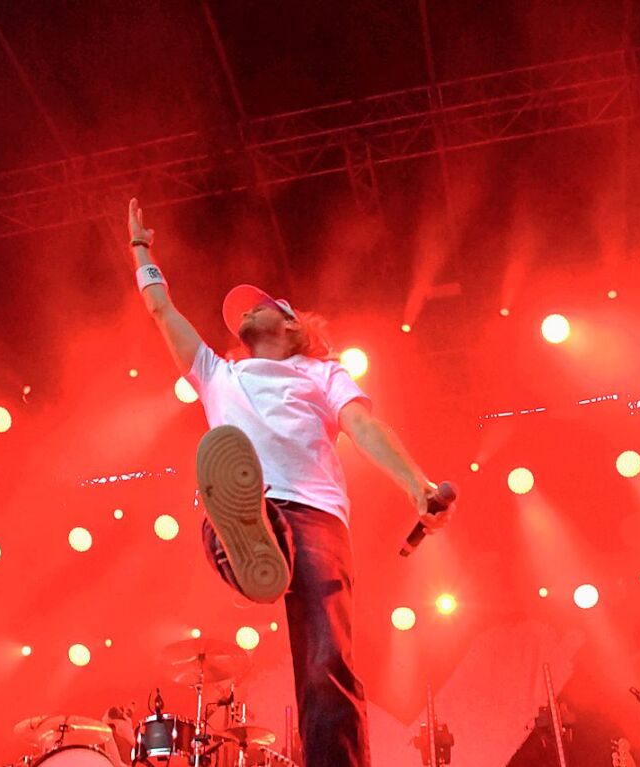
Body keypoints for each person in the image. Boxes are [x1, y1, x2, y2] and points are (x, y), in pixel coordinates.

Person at [127, 199, 453, 767]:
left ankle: (255, 548)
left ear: (292, 323)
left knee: (326, 664)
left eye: (258, 308)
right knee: (227, 506)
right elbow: (162, 312)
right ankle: (249, 538)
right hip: (254, 506)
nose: (245, 315)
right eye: (240, 314)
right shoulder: (216, 372)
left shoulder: (323, 373)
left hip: (315, 517)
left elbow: (364, 427)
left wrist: (415, 483)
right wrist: (140, 251)